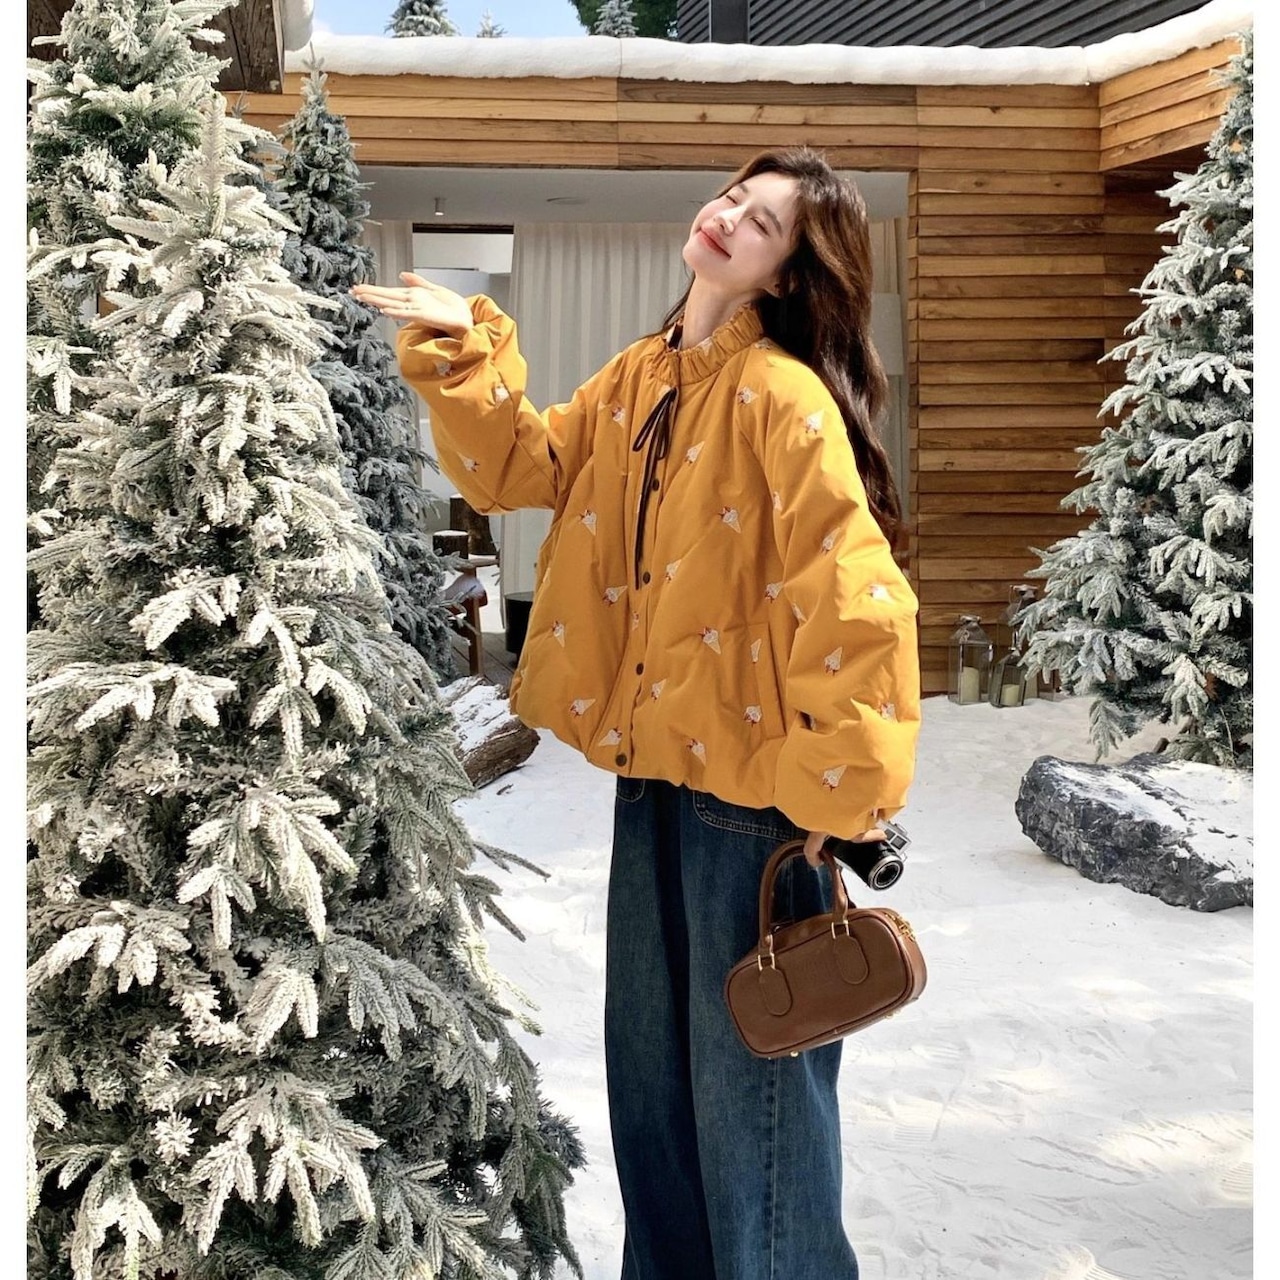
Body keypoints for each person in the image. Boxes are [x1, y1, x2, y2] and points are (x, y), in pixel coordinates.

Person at [353, 146, 920, 1280]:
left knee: (754, 1100)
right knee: (655, 1094)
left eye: (762, 223)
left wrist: (840, 791)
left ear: (785, 274)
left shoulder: (781, 395)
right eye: (733, 197)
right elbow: (521, 468)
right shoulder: (640, 378)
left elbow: (854, 596)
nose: (727, 219)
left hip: (756, 806)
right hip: (656, 780)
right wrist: (465, 350)